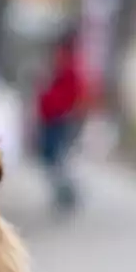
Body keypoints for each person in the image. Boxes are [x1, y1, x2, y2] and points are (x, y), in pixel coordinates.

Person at [36, 31, 86, 213]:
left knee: (57, 156)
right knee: (51, 157)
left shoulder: (68, 66)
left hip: (60, 118)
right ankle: (64, 192)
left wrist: (74, 115)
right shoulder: (58, 64)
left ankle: (68, 193)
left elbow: (77, 93)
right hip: (50, 117)